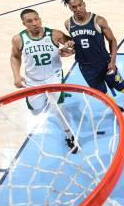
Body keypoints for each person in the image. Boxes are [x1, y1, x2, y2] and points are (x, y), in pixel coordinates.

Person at [61, 0, 124, 108]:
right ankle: (118, 111)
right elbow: (78, 43)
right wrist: (71, 49)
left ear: (84, 4)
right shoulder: (68, 24)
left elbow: (112, 40)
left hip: (103, 62)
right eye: (74, 7)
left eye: (80, 5)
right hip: (86, 67)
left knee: (120, 84)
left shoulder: (98, 20)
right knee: (101, 94)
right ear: (70, 8)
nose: (78, 9)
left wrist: (112, 61)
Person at [10, 9, 78, 152]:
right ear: (24, 23)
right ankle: (47, 100)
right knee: (35, 111)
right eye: (30, 21)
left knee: (58, 108)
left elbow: (72, 45)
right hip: (33, 80)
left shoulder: (54, 34)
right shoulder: (18, 39)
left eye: (37, 19)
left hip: (54, 77)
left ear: (40, 19)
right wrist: (16, 75)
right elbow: (15, 57)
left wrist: (68, 49)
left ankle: (69, 136)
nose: (35, 23)